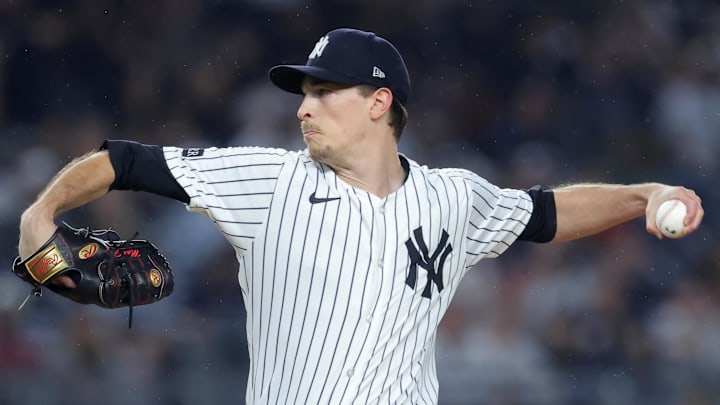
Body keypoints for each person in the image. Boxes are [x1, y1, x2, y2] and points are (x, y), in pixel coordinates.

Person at [16, 27, 704, 404]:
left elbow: (546, 212)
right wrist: (42, 211)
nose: (303, 106)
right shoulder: (270, 178)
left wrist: (640, 193)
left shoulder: (452, 197)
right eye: (303, 93)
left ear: (380, 103)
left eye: (323, 91)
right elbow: (124, 160)